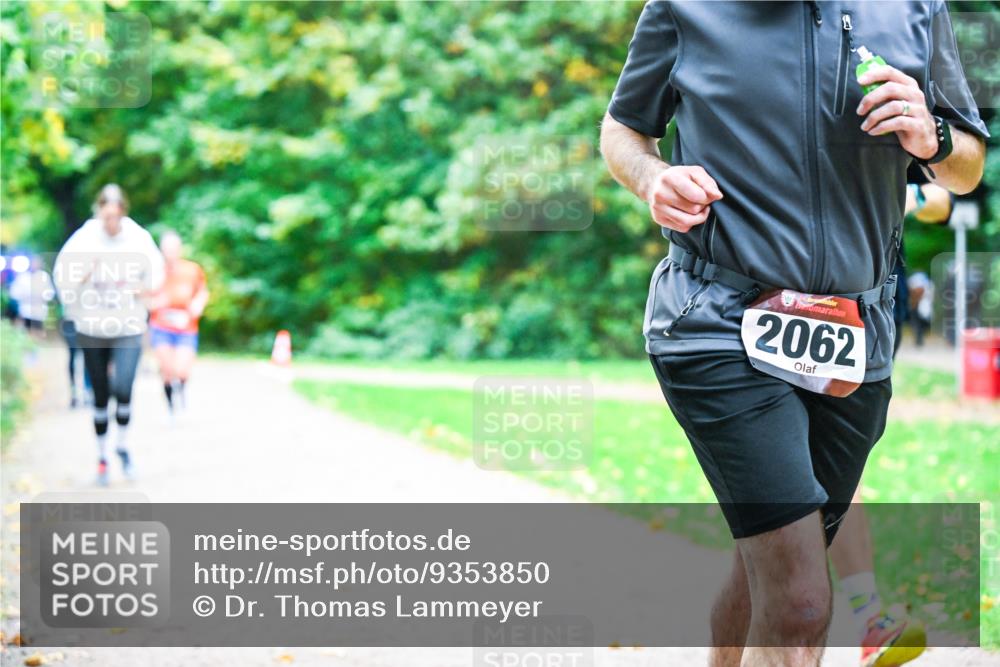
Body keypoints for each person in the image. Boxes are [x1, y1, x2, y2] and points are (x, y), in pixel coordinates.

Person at [600, 2, 987, 666]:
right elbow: (623, 131)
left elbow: (968, 165)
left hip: (852, 338)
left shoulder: (917, 9)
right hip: (715, 319)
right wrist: (653, 178)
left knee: (772, 576)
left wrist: (934, 139)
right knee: (804, 600)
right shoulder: (686, 9)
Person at [826, 177, 951, 667]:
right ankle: (862, 617)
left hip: (871, 301)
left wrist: (900, 195)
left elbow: (941, 198)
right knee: (796, 476)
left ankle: (867, 619)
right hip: (779, 292)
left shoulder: (885, 116)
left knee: (837, 470)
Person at [54, 184, 165, 486]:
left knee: (124, 387)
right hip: (92, 327)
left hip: (127, 325)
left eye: (116, 217)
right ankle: (102, 456)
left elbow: (156, 277)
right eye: (106, 217)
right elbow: (63, 281)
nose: (111, 224)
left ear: (123, 212)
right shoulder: (84, 239)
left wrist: (139, 288)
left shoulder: (139, 239)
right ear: (99, 213)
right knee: (100, 394)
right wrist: (85, 276)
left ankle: (123, 446)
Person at [148, 231, 209, 415]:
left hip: (186, 327)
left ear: (180, 249)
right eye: (167, 249)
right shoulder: (155, 272)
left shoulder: (192, 270)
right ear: (161, 250)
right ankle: (170, 407)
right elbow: (140, 295)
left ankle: (181, 389)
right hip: (161, 327)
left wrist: (198, 304)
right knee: (167, 370)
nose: (170, 252)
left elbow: (203, 292)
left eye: (174, 248)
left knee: (182, 371)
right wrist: (154, 304)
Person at [8, 255, 54, 333]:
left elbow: (50, 293)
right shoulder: (22, 277)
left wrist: (41, 296)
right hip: (25, 310)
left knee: (37, 332)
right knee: (25, 332)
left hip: (39, 311)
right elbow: (14, 293)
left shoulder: (44, 277)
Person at [907, 271, 933, 347]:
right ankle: (918, 341)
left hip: (921, 307)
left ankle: (919, 340)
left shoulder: (923, 284)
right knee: (916, 325)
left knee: (921, 324)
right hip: (915, 307)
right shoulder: (915, 283)